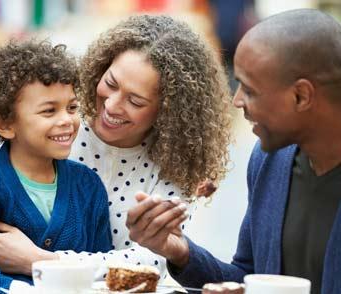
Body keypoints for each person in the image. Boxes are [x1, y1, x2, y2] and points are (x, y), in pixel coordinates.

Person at [0, 14, 231, 281]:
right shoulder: (55, 124)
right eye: (110, 84)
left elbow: (151, 261)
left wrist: (41, 261)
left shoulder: (175, 163)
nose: (111, 106)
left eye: (135, 101)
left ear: (168, 112)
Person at [126, 9, 341, 294]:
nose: (237, 101)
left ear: (301, 96)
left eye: (250, 90)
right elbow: (248, 276)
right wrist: (180, 252)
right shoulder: (270, 161)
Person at [0, 40, 112, 293]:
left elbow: (100, 274)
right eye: (49, 111)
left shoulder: (88, 186)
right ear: (5, 124)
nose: (66, 120)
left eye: (72, 108)